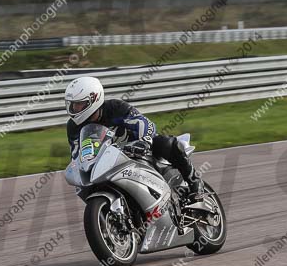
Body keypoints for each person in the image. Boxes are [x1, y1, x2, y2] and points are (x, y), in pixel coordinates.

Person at [64, 76, 204, 201]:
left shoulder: (114, 108)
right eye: (73, 105)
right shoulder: (73, 126)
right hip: (106, 162)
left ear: (93, 99)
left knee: (167, 143)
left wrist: (144, 141)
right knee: (82, 185)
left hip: (138, 150)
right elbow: (77, 153)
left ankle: (194, 182)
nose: (74, 109)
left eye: (79, 104)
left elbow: (143, 122)